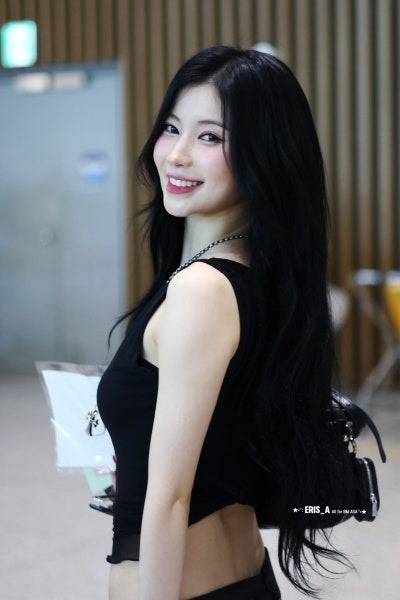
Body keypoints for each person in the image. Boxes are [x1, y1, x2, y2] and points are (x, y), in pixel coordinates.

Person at [97, 45, 355, 600]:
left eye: (210, 137)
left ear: (264, 153)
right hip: (241, 577)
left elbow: (170, 501)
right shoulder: (261, 276)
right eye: (172, 128)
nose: (177, 154)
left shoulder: (202, 291)